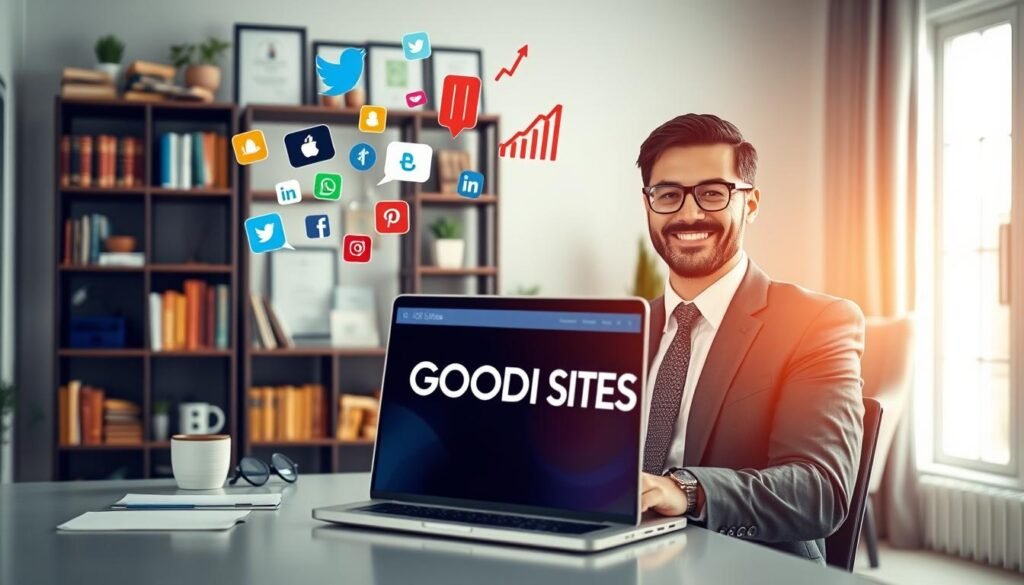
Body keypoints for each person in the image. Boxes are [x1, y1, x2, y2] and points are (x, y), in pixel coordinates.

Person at [635, 114, 865, 564]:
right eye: (668, 195)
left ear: (751, 203)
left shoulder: (817, 322)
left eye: (712, 193)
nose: (688, 213)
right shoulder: (626, 328)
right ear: (648, 205)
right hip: (619, 556)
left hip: (747, 562)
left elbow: (820, 490)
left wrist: (682, 489)